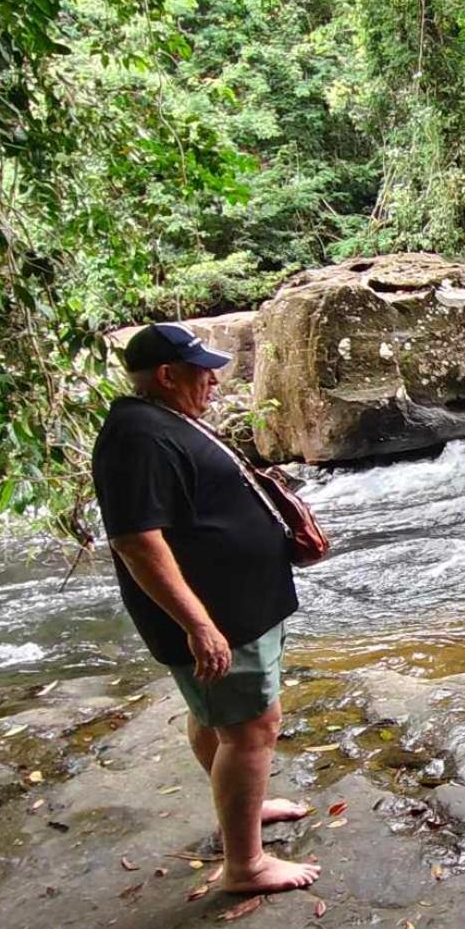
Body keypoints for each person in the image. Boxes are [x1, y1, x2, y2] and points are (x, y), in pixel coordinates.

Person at [92, 322, 320, 894]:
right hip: (218, 616)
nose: (214, 380)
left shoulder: (160, 422)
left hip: (235, 608)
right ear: (167, 376)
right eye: (201, 370)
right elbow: (137, 540)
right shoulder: (138, 438)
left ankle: (246, 806)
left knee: (218, 718)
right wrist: (199, 625)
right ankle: (247, 866)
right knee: (251, 728)